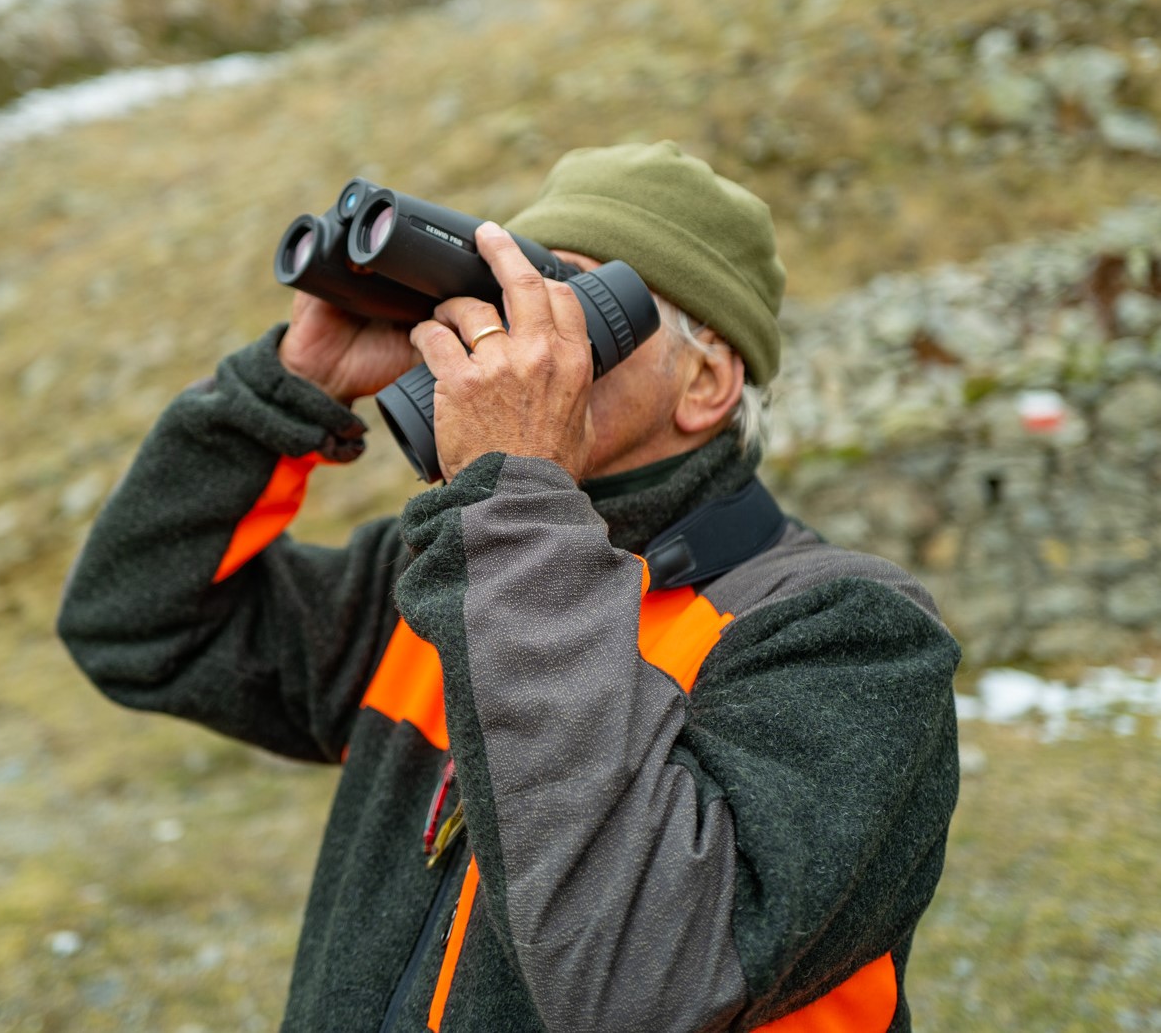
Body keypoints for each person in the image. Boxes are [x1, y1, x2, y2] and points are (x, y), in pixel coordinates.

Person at [56, 141, 959, 1032]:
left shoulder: (846, 634)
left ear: (706, 382)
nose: (528, 337)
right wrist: (290, 391)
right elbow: (133, 626)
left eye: (578, 306)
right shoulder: (444, 576)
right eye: (515, 294)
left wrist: (514, 496)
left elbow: (645, 983)